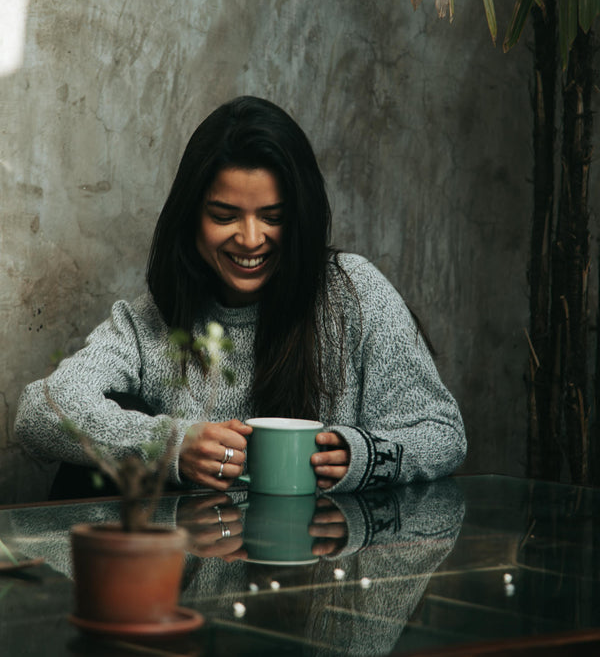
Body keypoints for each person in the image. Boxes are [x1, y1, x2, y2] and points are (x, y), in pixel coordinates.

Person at [15, 96, 466, 494]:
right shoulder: (158, 317)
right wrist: (172, 447)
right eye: (224, 215)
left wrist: (363, 458)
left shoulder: (353, 292)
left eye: (273, 217)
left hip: (323, 573)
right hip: (194, 577)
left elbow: (442, 433)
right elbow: (40, 410)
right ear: (191, 217)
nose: (251, 239)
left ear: (300, 218)